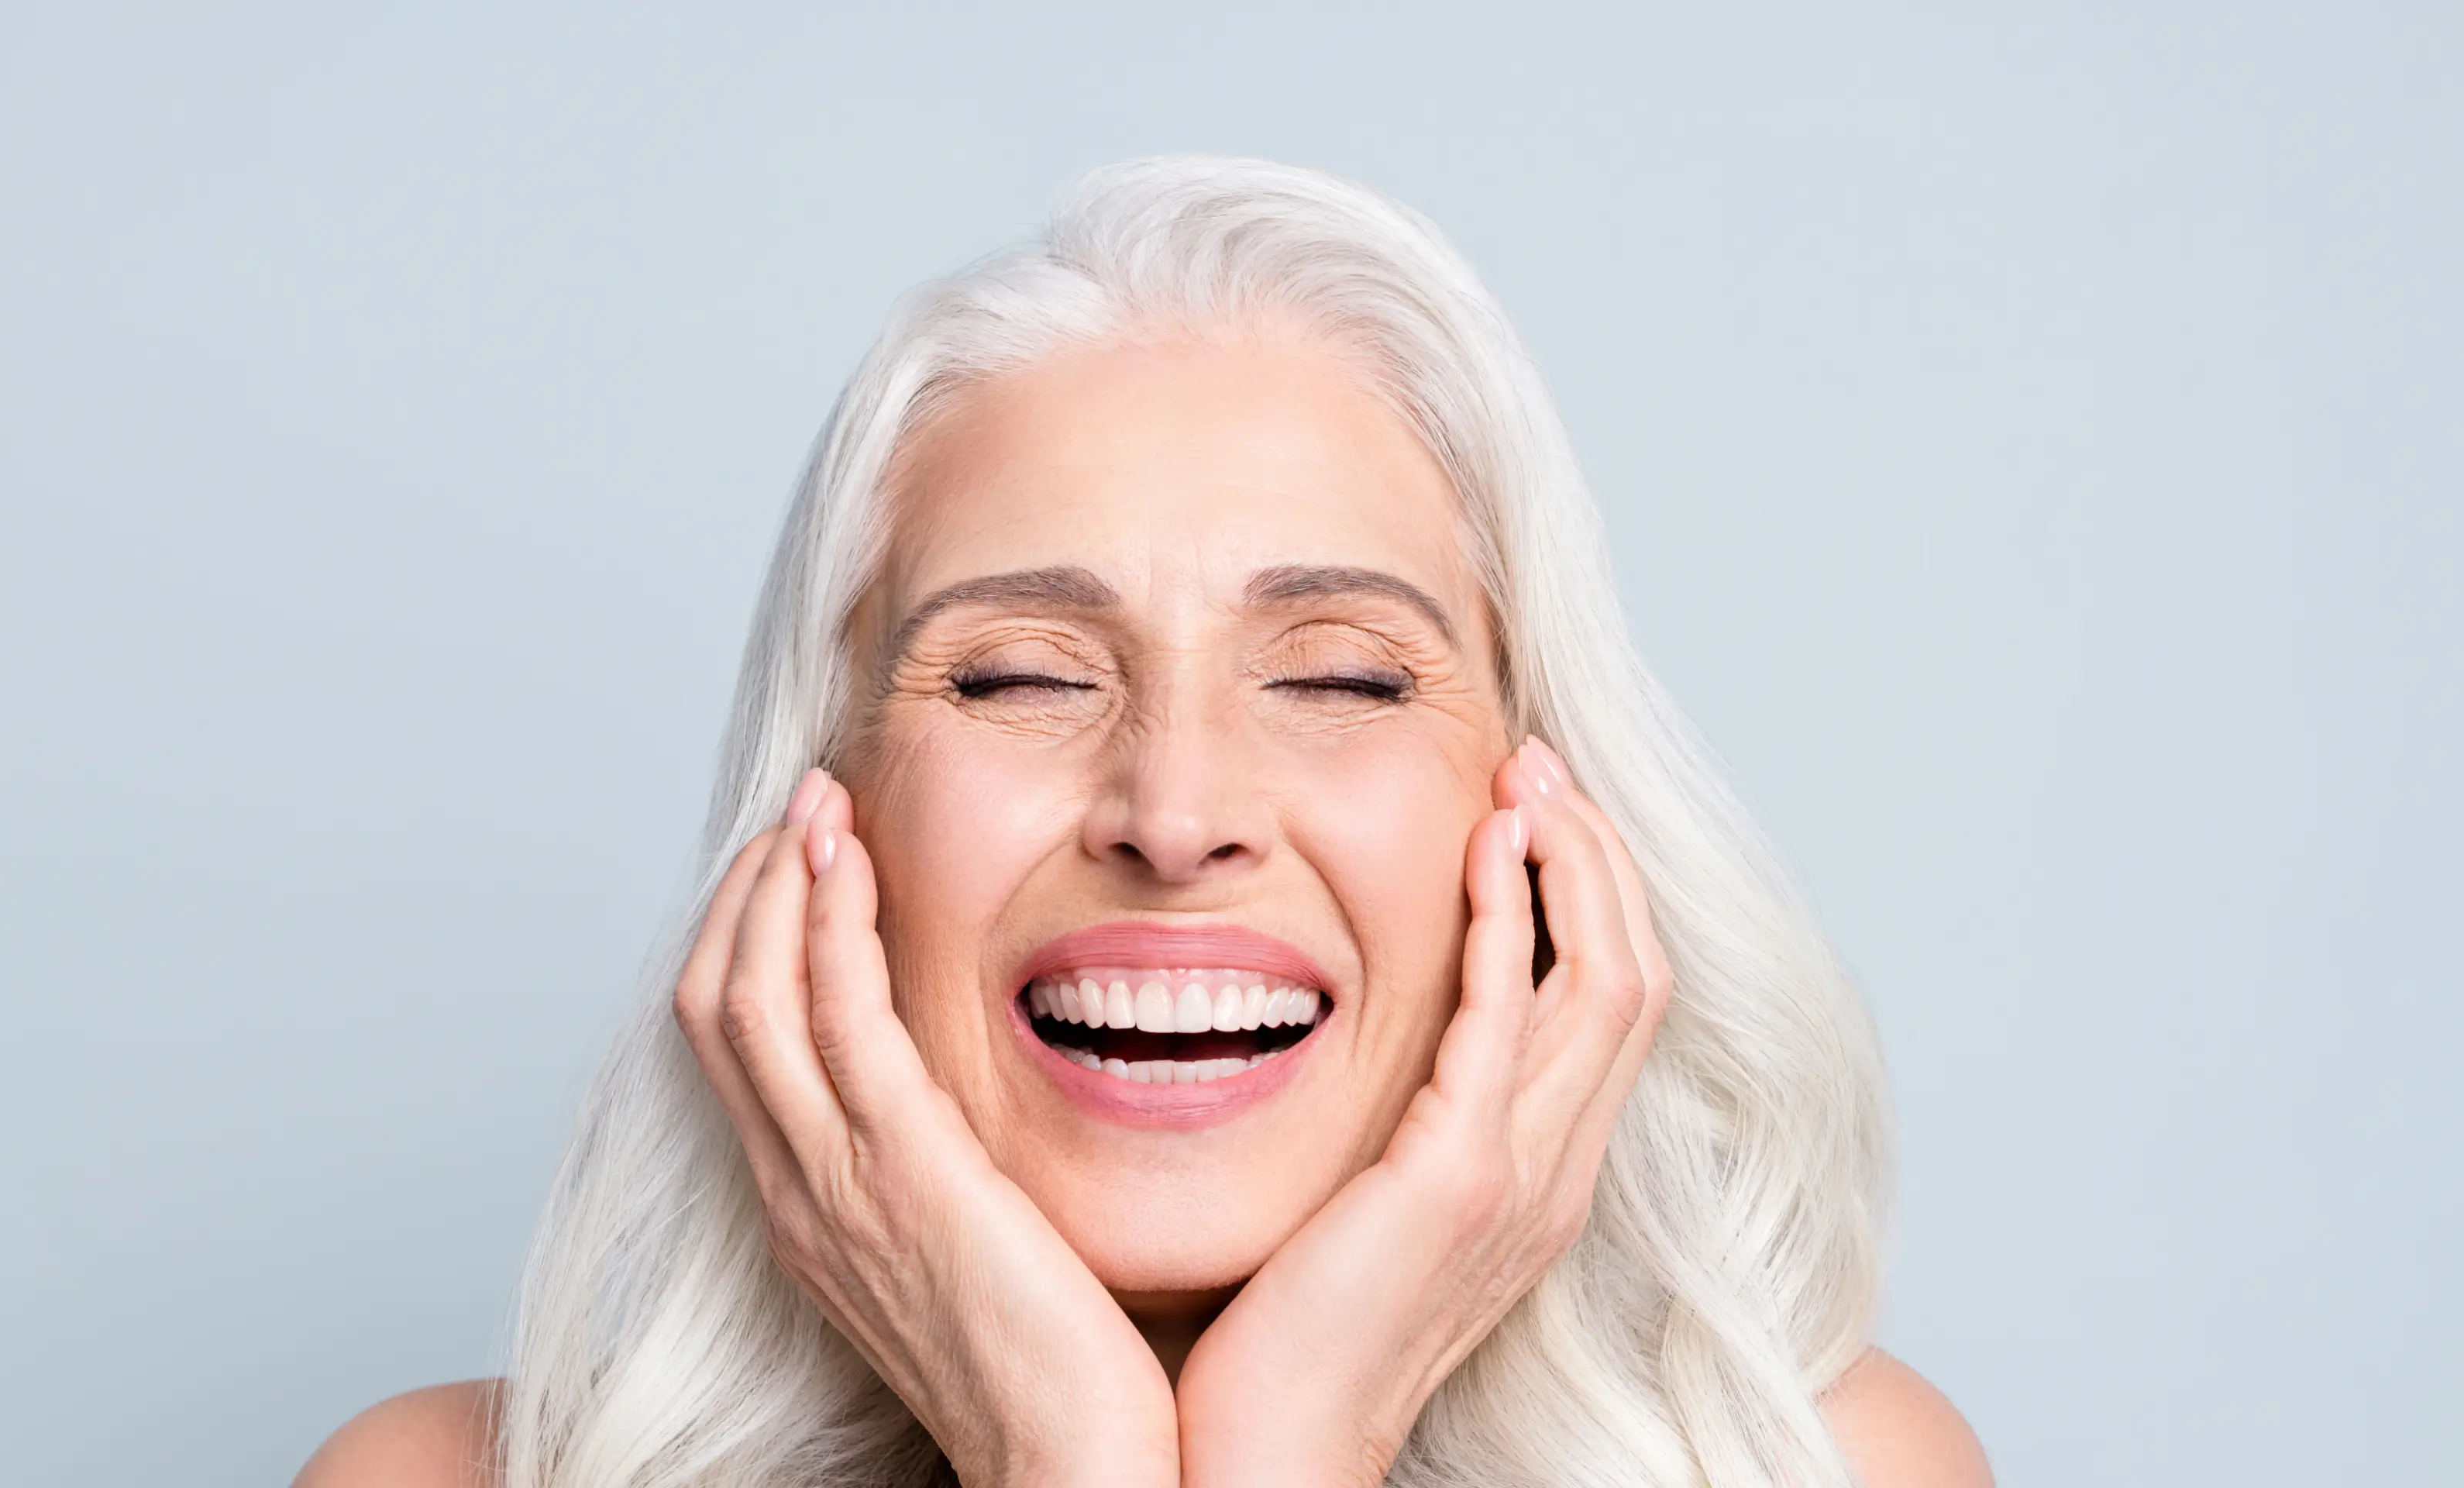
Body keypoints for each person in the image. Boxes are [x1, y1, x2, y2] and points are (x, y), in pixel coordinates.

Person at [301, 158, 1991, 1488]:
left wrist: (1286, 1453)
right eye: (1022, 677)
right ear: (832, 816)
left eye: (1339, 679)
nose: (1174, 815)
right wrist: (1062, 1455)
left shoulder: (1808, 1469)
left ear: (1540, 818)